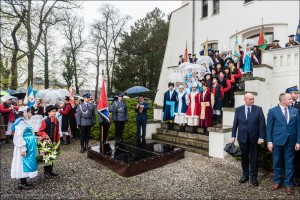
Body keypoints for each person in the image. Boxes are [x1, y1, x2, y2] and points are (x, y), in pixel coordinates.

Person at [266, 93, 300, 195]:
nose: (291, 100)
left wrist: (298, 141)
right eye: (289, 99)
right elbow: (269, 128)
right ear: (282, 100)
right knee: (277, 162)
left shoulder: (295, 111)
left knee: (289, 163)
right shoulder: (272, 111)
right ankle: (277, 181)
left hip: (291, 142)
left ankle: (288, 184)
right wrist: (270, 142)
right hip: (277, 141)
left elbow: (298, 127)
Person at [231, 93, 266, 187]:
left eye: (253, 99)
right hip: (242, 138)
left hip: (255, 138)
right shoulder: (239, 110)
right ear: (245, 99)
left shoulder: (258, 109)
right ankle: (245, 175)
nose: (253, 101)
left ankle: (254, 177)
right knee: (244, 158)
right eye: (250, 99)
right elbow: (235, 123)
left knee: (254, 158)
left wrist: (261, 137)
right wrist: (233, 135)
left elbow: (262, 124)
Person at [11, 106, 38, 190]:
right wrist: (23, 148)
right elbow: (18, 137)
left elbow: (29, 133)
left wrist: (35, 138)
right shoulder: (20, 123)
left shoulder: (25, 122)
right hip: (23, 147)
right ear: (24, 113)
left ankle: (24, 180)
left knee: (27, 163)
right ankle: (21, 182)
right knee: (22, 163)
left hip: (28, 145)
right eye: (29, 112)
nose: (31, 114)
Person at [38, 105, 60, 179]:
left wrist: (57, 141)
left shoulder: (56, 120)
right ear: (48, 112)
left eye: (55, 111)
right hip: (46, 142)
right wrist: (45, 136)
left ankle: (50, 171)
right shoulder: (45, 121)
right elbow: (40, 131)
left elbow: (57, 131)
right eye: (53, 111)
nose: (55, 113)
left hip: (53, 141)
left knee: (52, 156)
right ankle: (46, 172)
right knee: (46, 157)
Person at [285, 86, 300, 187]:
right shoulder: (284, 105)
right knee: (288, 158)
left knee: (298, 159)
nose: (297, 94)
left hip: (297, 136)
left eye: (298, 93)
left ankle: (297, 178)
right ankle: (288, 177)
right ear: (289, 94)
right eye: (295, 93)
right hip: (287, 137)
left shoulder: (299, 105)